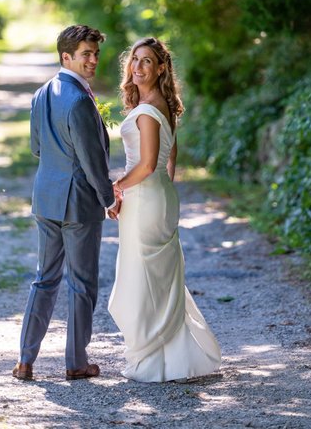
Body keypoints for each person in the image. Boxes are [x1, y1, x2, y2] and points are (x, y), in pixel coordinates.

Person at [108, 37, 221, 382]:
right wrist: (162, 191)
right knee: (157, 278)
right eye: (135, 60)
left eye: (147, 61)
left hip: (144, 198)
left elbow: (144, 165)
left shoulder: (146, 112)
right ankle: (165, 356)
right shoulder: (164, 106)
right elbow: (168, 161)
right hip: (156, 196)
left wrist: (117, 187)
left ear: (161, 68)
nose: (138, 67)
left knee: (143, 280)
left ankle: (153, 360)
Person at [12, 24, 116, 381]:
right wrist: (108, 198)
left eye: (96, 54)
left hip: (46, 198)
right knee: (82, 284)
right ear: (66, 57)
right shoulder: (79, 101)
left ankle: (25, 361)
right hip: (78, 204)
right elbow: (92, 160)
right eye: (86, 54)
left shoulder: (42, 94)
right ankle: (75, 364)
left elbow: (37, 148)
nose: (93, 61)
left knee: (44, 279)